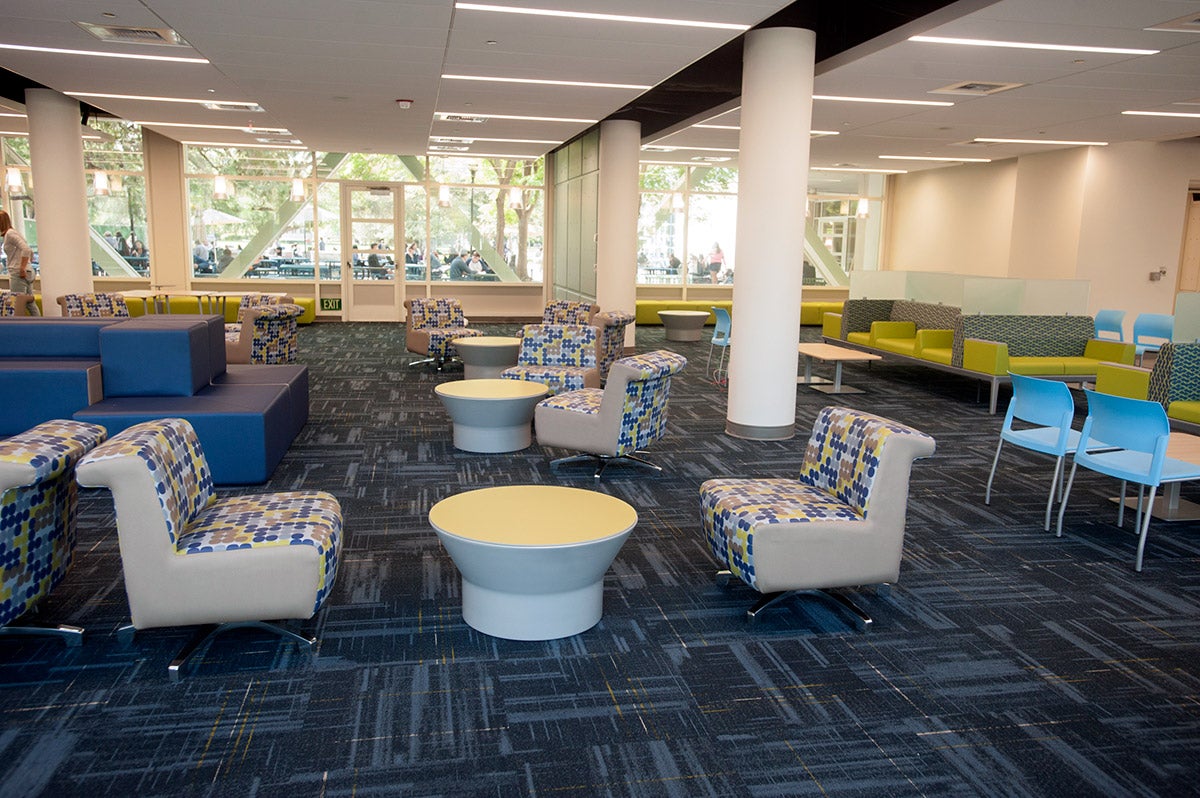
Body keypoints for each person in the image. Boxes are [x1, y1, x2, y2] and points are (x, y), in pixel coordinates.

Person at [1, 209, 38, 315]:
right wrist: (27, 264)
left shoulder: (10, 234)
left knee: (18, 303)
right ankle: (39, 324)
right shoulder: (13, 233)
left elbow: (26, 249)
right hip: (25, 271)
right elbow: (29, 250)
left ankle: (18, 327)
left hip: (18, 272)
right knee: (29, 302)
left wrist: (22, 267)